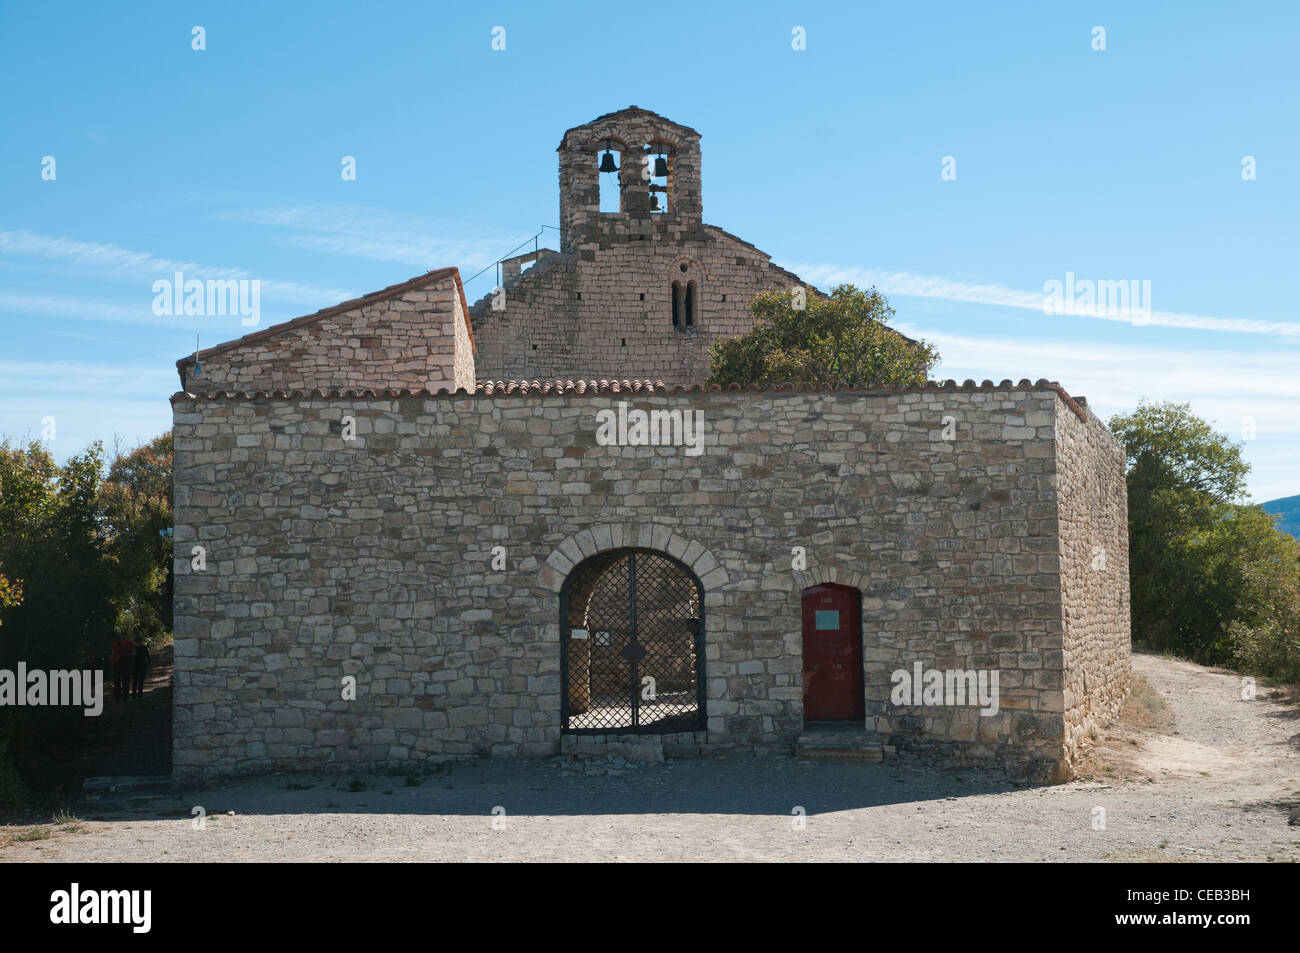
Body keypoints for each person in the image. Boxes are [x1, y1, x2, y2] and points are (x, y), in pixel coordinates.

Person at [111, 634, 134, 702]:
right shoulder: (130, 643)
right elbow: (133, 653)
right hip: (126, 664)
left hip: (117, 664)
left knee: (117, 682)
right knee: (126, 681)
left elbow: (112, 655)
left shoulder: (115, 644)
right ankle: (125, 697)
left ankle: (117, 698)